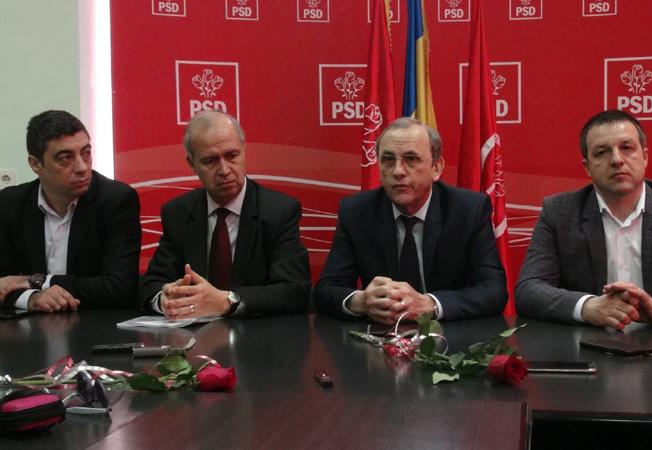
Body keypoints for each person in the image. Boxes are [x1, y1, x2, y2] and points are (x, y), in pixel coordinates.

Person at [516, 110, 652, 329]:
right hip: (588, 342)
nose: (617, 160)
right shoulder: (558, 212)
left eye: (626, 148)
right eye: (602, 152)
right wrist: (587, 307)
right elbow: (529, 289)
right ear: (587, 166)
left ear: (645, 156)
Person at [313, 117, 507, 324]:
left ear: (436, 168)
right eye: (388, 160)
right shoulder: (356, 211)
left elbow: (493, 291)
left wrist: (430, 304)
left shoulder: (468, 210)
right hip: (380, 335)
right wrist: (360, 301)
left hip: (450, 336)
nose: (398, 171)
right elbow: (326, 290)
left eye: (411, 159)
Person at [139, 110, 310, 318]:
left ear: (244, 151)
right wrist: (165, 300)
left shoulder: (279, 211)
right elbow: (151, 285)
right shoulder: (178, 212)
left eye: (232, 156)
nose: (224, 170)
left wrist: (227, 301)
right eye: (210, 161)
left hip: (257, 334)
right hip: (193, 334)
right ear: (192, 164)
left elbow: (295, 291)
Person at [0, 110, 141, 312]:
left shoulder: (116, 200)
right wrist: (32, 298)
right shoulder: (10, 204)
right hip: (29, 326)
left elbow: (120, 288)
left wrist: (36, 281)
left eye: (86, 153)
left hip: (94, 324)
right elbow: (4, 283)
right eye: (66, 158)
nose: (82, 167)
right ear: (36, 164)